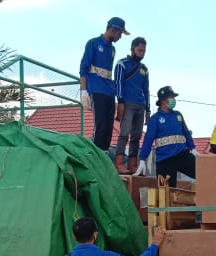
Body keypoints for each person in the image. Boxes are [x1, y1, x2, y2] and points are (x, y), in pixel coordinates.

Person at [79, 16, 129, 155]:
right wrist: (84, 91)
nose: (120, 37)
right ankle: (95, 156)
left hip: (109, 91)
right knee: (100, 126)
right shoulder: (93, 43)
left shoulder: (112, 49)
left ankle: (104, 154)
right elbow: (83, 68)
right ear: (113, 30)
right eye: (120, 33)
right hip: (96, 89)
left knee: (108, 127)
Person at [138, 86, 196, 187]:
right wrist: (143, 159)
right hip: (165, 159)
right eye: (171, 97)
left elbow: (186, 133)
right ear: (163, 100)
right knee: (165, 191)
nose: (174, 100)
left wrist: (193, 148)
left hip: (182, 155)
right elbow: (148, 140)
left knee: (204, 172)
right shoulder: (155, 119)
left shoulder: (178, 115)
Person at [113, 37, 150, 174]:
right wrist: (120, 102)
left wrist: (148, 110)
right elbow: (118, 83)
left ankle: (133, 164)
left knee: (136, 136)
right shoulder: (122, 64)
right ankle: (119, 162)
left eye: (144, 51)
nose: (142, 53)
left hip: (141, 105)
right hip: (127, 103)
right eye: (140, 50)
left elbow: (146, 89)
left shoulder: (144, 69)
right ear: (132, 49)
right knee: (124, 133)